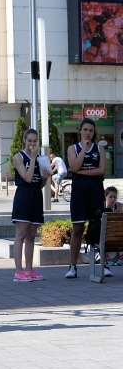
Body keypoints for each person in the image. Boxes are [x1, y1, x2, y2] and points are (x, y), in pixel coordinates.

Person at [65, 118, 106, 278]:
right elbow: (74, 166)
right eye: (85, 130)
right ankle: (72, 267)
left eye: (91, 130)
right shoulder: (72, 148)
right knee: (78, 229)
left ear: (94, 132)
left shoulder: (99, 149)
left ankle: (104, 264)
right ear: (80, 131)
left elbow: (101, 170)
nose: (88, 133)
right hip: (79, 193)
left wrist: (81, 172)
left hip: (95, 191)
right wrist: (84, 149)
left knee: (98, 228)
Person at [11, 130, 50, 282]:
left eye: (35, 141)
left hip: (35, 195)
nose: (33, 144)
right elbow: (27, 178)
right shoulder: (18, 157)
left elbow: (38, 183)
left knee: (32, 235)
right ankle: (18, 271)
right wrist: (33, 158)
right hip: (23, 196)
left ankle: (29, 269)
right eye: (30, 141)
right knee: (21, 234)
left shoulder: (41, 158)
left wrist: (45, 178)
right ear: (24, 140)